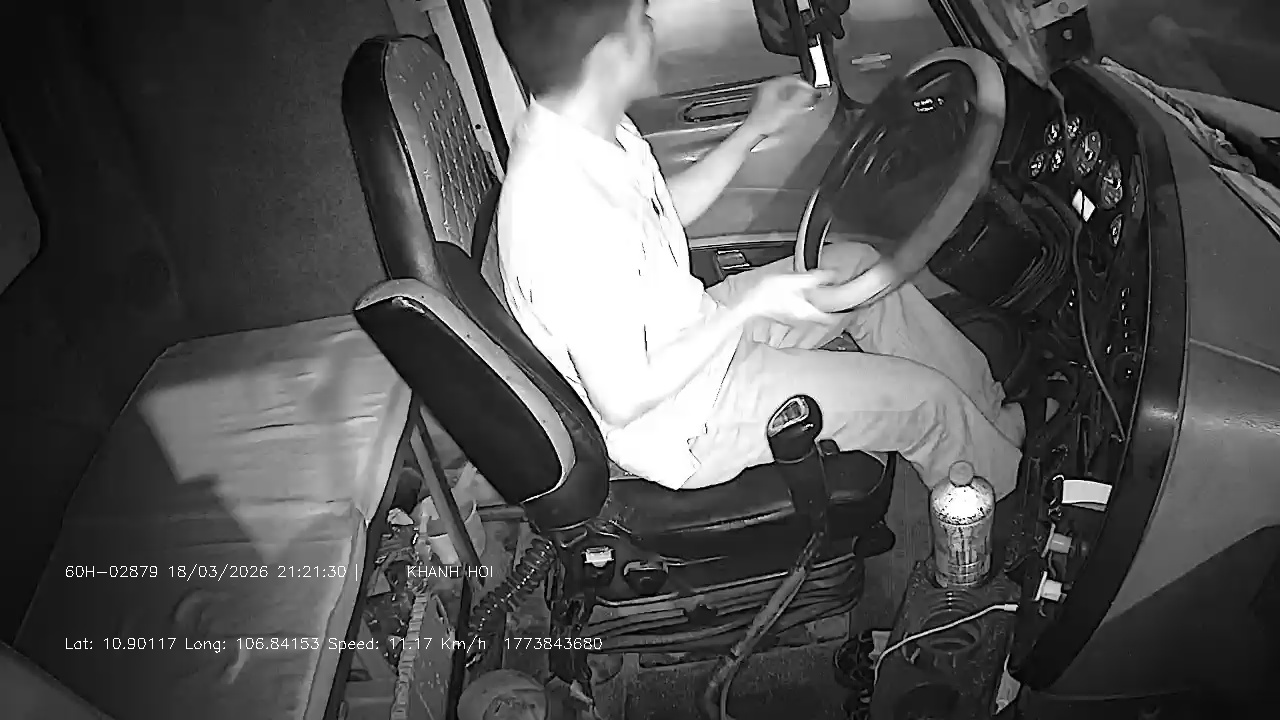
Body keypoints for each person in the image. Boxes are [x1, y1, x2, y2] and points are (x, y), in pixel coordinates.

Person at [491, 0, 1025, 497]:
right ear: (608, 56)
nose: (652, 29)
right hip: (687, 420)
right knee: (924, 404)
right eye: (639, 20)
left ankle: (991, 418)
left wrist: (754, 129)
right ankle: (1004, 497)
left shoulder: (586, 130)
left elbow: (659, 213)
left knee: (860, 270)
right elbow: (623, 398)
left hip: (693, 334)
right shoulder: (561, 214)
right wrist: (749, 306)